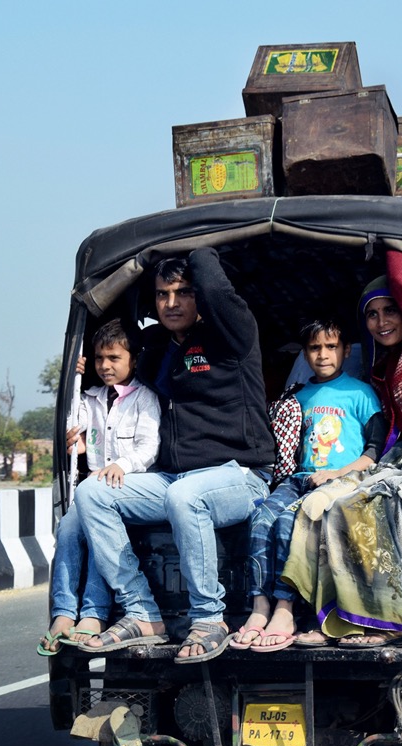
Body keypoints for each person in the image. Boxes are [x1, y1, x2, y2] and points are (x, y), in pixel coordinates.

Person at [74, 249, 275, 663]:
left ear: (200, 295)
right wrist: (86, 370)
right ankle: (142, 611)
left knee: (186, 497)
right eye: (163, 294)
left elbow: (219, 292)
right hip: (174, 478)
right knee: (93, 493)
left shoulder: (233, 334)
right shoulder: (156, 346)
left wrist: (185, 246)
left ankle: (209, 619)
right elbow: (114, 348)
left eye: (184, 292)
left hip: (241, 475)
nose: (171, 303)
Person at [281, 249, 402, 647]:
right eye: (372, 314)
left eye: (391, 311)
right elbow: (398, 437)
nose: (381, 321)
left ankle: (384, 622)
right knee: (326, 509)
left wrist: (390, 229)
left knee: (364, 514)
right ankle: (335, 618)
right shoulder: (385, 370)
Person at [231, 318, 385, 652]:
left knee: (290, 522)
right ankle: (260, 607)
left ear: (346, 351)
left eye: (331, 347)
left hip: (339, 482)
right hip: (298, 478)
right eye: (315, 348)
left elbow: (374, 451)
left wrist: (336, 473)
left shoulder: (360, 392)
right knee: (261, 520)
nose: (323, 354)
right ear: (305, 353)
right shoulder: (297, 395)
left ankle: (285, 610)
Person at [36, 318, 161, 655]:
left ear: (133, 359)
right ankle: (63, 613)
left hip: (124, 488)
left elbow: (148, 448)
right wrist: (75, 378)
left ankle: (93, 613)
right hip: (89, 486)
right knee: (67, 531)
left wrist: (120, 465)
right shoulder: (88, 398)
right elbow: (72, 432)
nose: (105, 366)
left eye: (114, 358)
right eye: (99, 359)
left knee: (96, 533)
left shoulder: (144, 398)